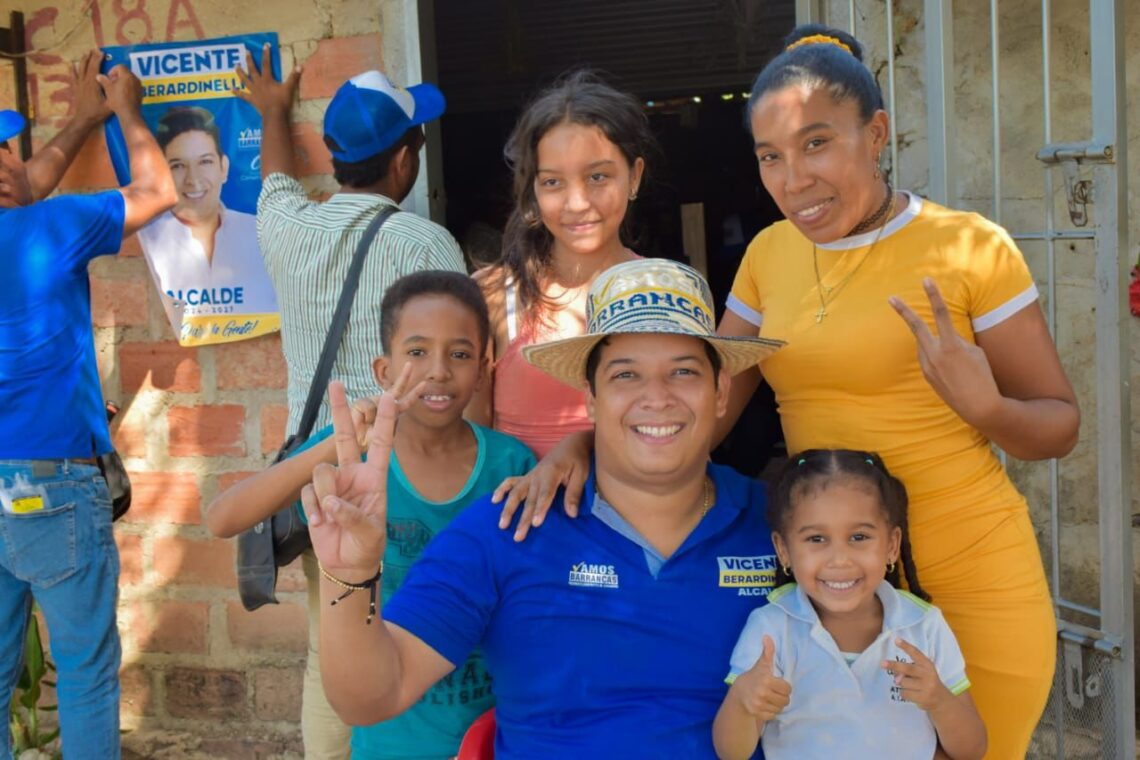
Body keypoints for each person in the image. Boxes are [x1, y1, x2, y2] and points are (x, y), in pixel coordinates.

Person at [500, 24, 1080, 759]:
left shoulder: (968, 247)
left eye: (816, 144)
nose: (793, 178)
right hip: (832, 585)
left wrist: (988, 408)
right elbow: (696, 410)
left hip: (973, 572)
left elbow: (1059, 424)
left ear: (876, 133)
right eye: (770, 156)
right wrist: (587, 445)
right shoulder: (768, 257)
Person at [304, 259, 782, 758]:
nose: (656, 398)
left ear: (720, 391)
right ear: (591, 400)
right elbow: (371, 697)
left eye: (683, 372)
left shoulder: (778, 527)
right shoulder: (511, 526)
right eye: (625, 375)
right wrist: (351, 576)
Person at [235, 46, 467, 758]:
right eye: (417, 141)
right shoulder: (427, 242)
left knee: (332, 646)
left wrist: (273, 110)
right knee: (423, 642)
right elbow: (454, 372)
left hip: (322, 479)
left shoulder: (282, 227)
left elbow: (274, 179)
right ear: (403, 160)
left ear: (336, 156)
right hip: (406, 478)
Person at [206, 271, 535, 759]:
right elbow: (222, 518)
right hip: (390, 734)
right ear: (384, 371)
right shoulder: (352, 462)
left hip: (490, 728)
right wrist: (325, 455)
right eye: (417, 352)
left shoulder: (513, 465)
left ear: (485, 367)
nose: (438, 371)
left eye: (460, 354)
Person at [0, 52, 176, 760]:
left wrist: (82, 117)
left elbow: (31, 184)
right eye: (9, 146)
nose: (21, 156)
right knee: (86, 675)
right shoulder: (51, 229)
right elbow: (158, 190)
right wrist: (128, 109)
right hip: (55, 484)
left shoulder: (38, 220)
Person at [712, 450, 986, 760]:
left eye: (858, 536)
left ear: (892, 546)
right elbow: (731, 752)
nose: (840, 559)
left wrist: (939, 701)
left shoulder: (923, 625)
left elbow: (971, 751)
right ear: (783, 550)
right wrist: (744, 702)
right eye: (816, 539)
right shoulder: (772, 629)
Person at [467, 70, 653, 463]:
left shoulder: (664, 293)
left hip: (631, 523)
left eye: (598, 176)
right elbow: (473, 452)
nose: (577, 203)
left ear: (634, 176)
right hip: (520, 523)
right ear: (531, 189)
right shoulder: (495, 297)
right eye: (552, 182)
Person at [140, 106, 277, 323]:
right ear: (162, 174)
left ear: (223, 168)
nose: (193, 179)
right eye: (177, 166)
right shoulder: (149, 235)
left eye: (205, 162)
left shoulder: (258, 232)